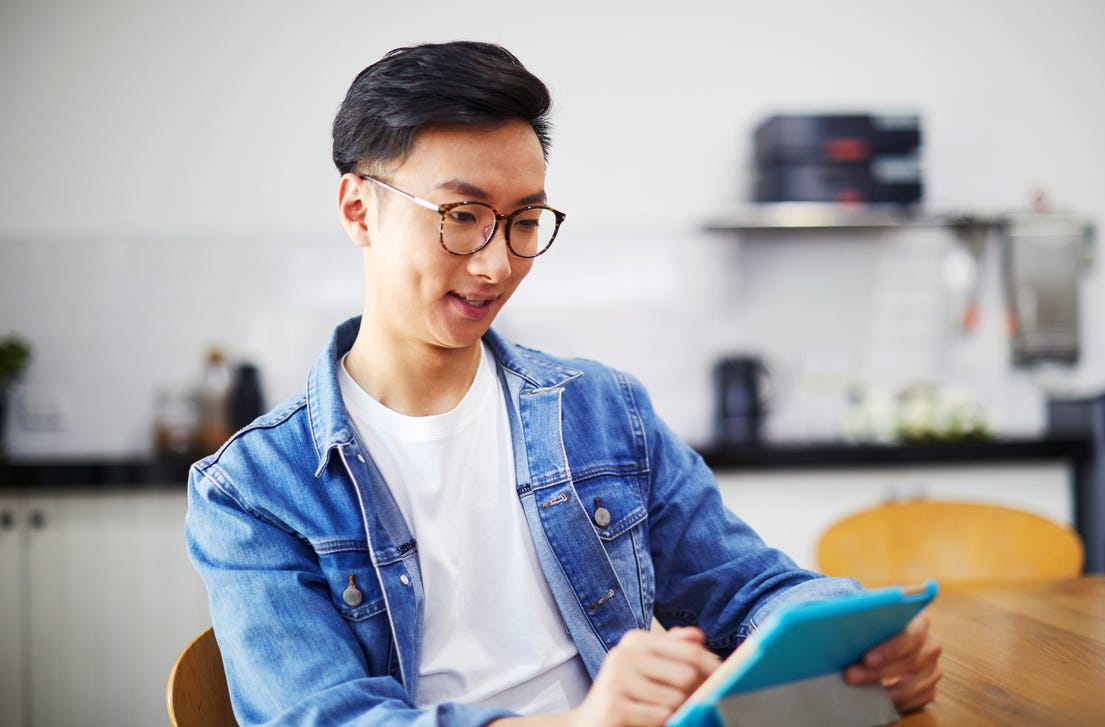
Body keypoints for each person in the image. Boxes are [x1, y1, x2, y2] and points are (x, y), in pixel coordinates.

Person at [185, 40, 942, 726]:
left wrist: (859, 639)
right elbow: (327, 720)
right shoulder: (253, 489)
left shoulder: (603, 412)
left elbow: (750, 590)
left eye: (523, 220)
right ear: (359, 208)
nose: (495, 264)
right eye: (461, 215)